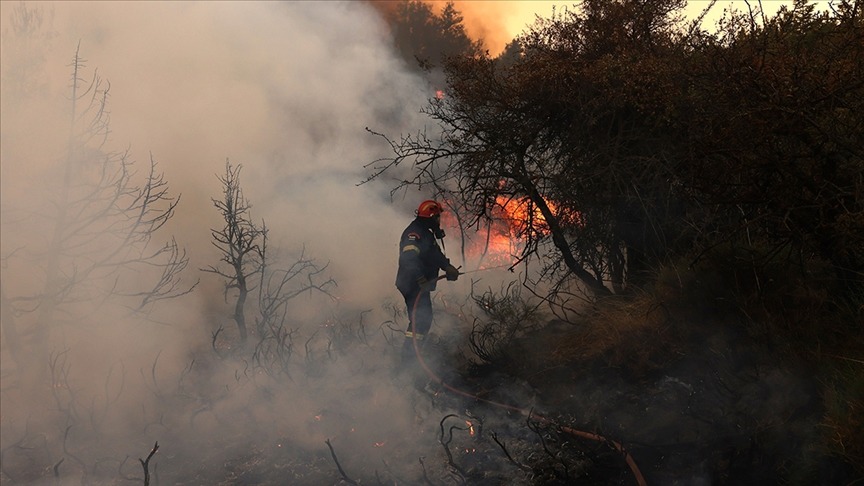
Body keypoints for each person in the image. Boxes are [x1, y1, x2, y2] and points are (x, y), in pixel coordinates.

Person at [395, 200, 460, 363]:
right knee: (421, 320)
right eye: (437, 217)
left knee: (423, 319)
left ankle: (412, 356)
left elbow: (434, 255)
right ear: (431, 216)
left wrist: (448, 267)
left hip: (419, 284)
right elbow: (408, 258)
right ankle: (408, 359)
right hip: (411, 283)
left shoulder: (426, 233)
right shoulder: (414, 233)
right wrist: (420, 278)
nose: (439, 221)